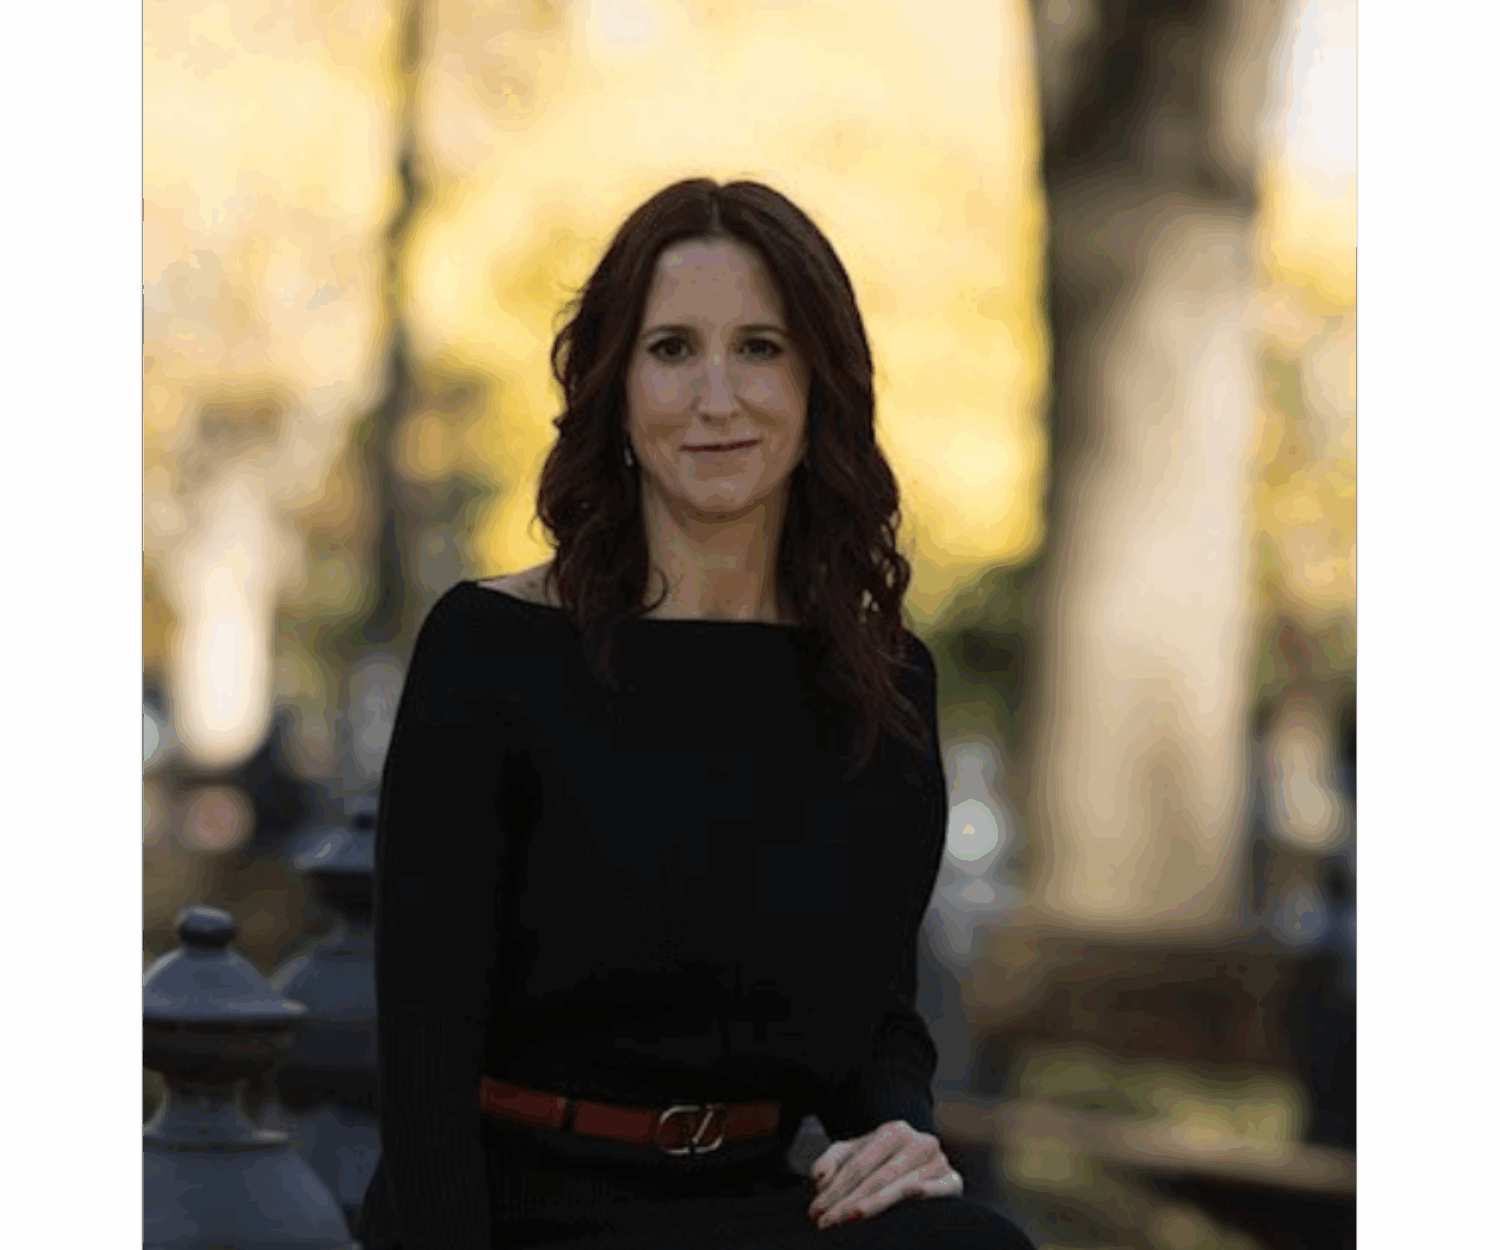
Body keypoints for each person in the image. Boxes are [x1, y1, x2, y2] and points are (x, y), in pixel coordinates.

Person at [355, 178, 1035, 1249]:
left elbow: (876, 1023)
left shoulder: (882, 676)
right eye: (673, 348)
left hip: (753, 1201)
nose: (717, 396)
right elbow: (423, 1043)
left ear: (819, 383)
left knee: (970, 1244)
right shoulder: (491, 650)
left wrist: (898, 1130)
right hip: (517, 1208)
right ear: (617, 388)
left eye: (759, 346)